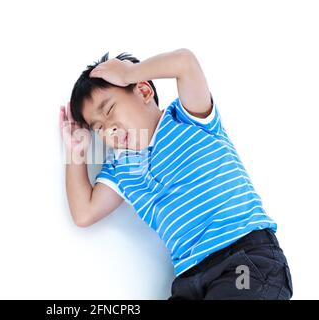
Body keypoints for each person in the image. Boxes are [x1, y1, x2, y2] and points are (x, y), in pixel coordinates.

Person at [59, 48, 293, 299]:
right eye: (99, 128)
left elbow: (185, 62)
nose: (109, 129)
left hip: (244, 258)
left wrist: (129, 73)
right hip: (189, 279)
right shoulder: (120, 170)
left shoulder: (187, 117)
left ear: (144, 91)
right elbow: (84, 213)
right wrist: (76, 152)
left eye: (109, 111)